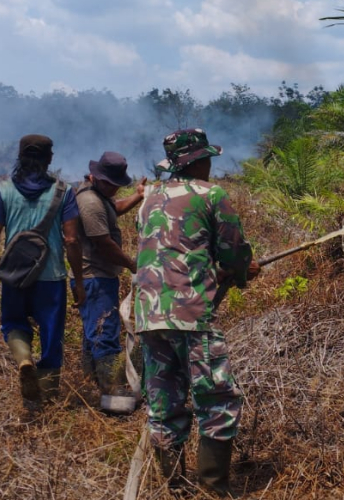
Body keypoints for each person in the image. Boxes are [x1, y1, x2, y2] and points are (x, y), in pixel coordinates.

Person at [134, 128, 260, 495]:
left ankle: (171, 487)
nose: (210, 166)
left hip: (148, 315)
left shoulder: (149, 197)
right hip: (191, 315)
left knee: (163, 404)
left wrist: (226, 270)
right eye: (207, 159)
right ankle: (212, 489)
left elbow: (167, 248)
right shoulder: (212, 194)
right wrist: (241, 270)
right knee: (217, 399)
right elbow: (233, 250)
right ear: (199, 161)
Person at [0, 134, 85, 406]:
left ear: (20, 157)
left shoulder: (4, 190)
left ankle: (24, 359)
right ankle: (47, 398)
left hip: (15, 275)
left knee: (13, 323)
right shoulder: (64, 191)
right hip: (51, 277)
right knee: (51, 334)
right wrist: (79, 281)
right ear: (49, 158)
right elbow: (72, 239)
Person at [72, 151, 146, 407]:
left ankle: (91, 383)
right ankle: (112, 394)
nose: (115, 190)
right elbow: (103, 244)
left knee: (93, 330)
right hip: (95, 276)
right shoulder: (90, 203)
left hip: (98, 276)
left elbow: (114, 209)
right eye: (111, 185)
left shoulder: (99, 196)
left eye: (118, 186)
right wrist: (130, 263)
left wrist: (137, 195)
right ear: (96, 177)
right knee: (105, 331)